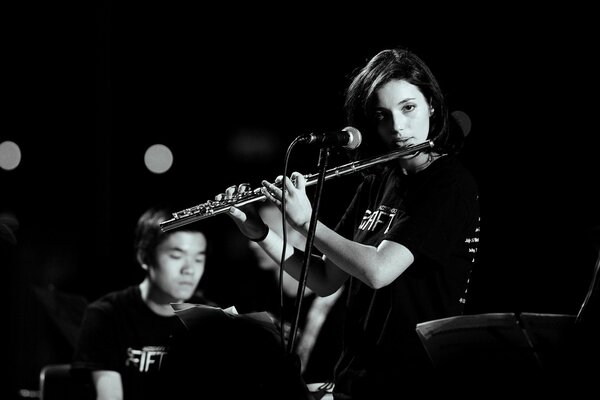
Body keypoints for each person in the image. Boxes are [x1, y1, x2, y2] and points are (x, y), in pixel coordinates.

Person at [220, 46, 481, 398]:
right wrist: (262, 233)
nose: (398, 127)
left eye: (408, 108)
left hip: (414, 382)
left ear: (431, 104)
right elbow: (325, 279)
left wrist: (306, 223)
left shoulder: (449, 182)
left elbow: (378, 271)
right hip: (357, 379)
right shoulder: (379, 180)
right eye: (382, 115)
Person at [72, 206, 216, 400]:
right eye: (176, 256)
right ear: (144, 257)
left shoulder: (212, 318)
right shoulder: (107, 315)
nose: (189, 269)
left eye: (199, 259)